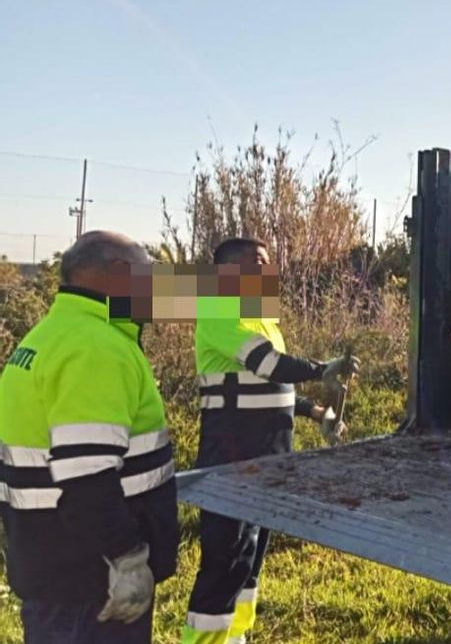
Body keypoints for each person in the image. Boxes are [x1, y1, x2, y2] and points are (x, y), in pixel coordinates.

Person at [0, 231, 180, 643]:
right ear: (119, 275)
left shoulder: (49, 336)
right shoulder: (97, 348)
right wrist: (128, 559)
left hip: (52, 566)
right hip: (94, 586)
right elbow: (87, 474)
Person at [183, 237, 359, 644]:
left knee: (249, 559)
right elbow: (270, 364)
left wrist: (317, 413)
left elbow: (274, 386)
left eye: (267, 263)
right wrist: (322, 368)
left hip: (267, 460)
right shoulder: (219, 310)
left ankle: (236, 637)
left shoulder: (262, 321)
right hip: (231, 458)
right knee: (224, 562)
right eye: (256, 263)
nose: (266, 271)